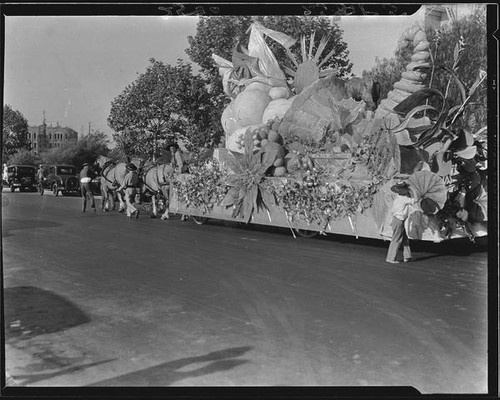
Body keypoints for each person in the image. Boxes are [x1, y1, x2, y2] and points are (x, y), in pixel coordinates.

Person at [386, 181, 415, 264]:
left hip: (397, 220)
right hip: (399, 221)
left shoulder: (398, 197)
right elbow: (414, 200)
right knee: (396, 239)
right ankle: (390, 258)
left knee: (405, 239)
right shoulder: (404, 199)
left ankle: (407, 257)